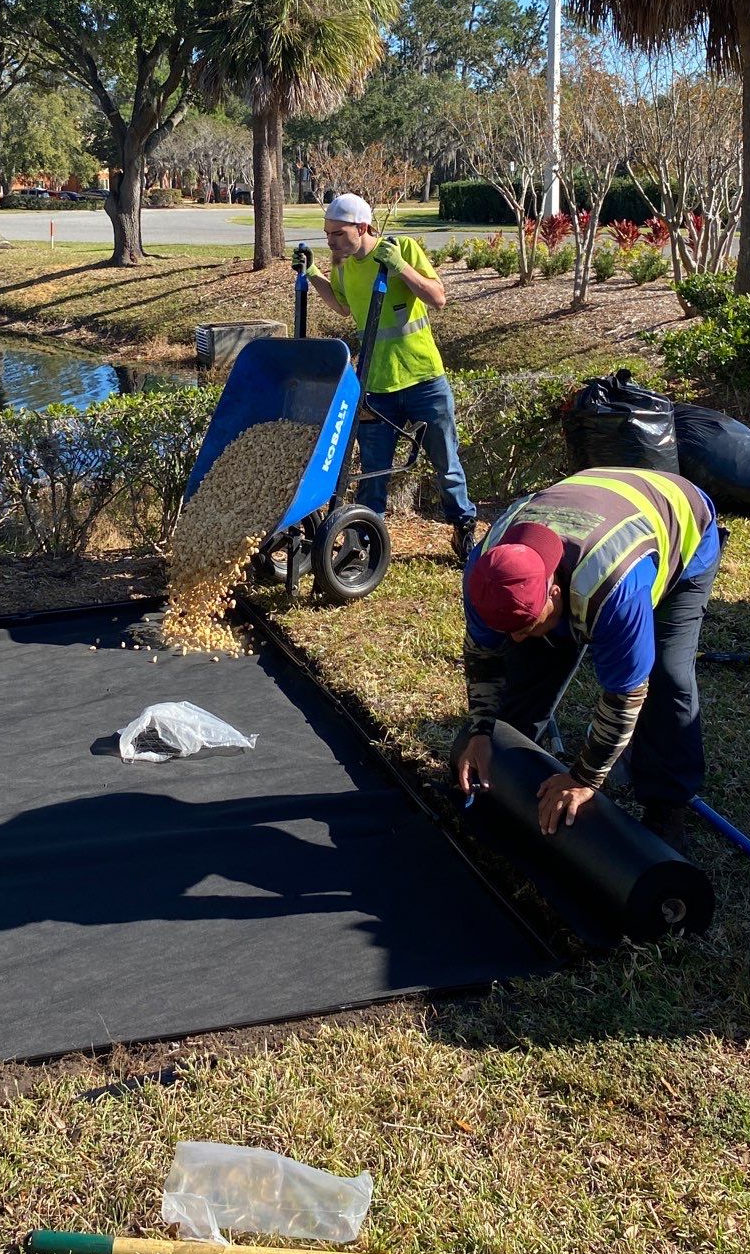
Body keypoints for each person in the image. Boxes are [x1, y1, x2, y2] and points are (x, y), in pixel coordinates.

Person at [450, 466, 721, 848]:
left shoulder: (612, 587)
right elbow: (484, 656)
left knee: (666, 675)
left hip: (680, 521)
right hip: (591, 499)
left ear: (555, 594)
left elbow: (626, 695)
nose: (517, 635)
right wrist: (482, 732)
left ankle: (666, 806)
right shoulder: (486, 573)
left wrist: (583, 779)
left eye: (527, 622)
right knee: (531, 657)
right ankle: (517, 758)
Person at [306, 192, 477, 560]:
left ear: (363, 227)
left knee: (446, 464)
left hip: (424, 380)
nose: (331, 241)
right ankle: (367, 546)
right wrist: (313, 274)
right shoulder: (344, 265)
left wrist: (400, 266)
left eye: (337, 234)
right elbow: (342, 307)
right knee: (372, 474)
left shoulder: (403, 249)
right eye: (327, 233)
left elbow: (437, 297)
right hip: (376, 387)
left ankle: (464, 530)